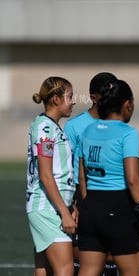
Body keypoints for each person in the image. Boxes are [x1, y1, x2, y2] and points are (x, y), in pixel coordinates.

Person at [77, 79, 139, 276]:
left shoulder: (87, 131)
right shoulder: (128, 133)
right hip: (119, 208)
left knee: (88, 271)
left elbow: (82, 175)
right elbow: (132, 179)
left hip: (90, 207)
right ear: (127, 104)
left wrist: (89, 204)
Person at [64, 72, 118, 276]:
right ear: (93, 97)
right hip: (81, 193)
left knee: (112, 253)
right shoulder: (74, 126)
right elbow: (66, 165)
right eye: (106, 95)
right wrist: (72, 202)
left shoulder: (118, 124)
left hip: (110, 192)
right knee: (81, 253)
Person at [26, 76, 77, 276]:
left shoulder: (51, 126)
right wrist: (64, 212)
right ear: (56, 99)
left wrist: (69, 206)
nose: (73, 101)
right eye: (70, 96)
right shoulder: (45, 127)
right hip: (46, 208)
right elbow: (46, 175)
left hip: (51, 207)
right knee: (65, 269)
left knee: (43, 270)